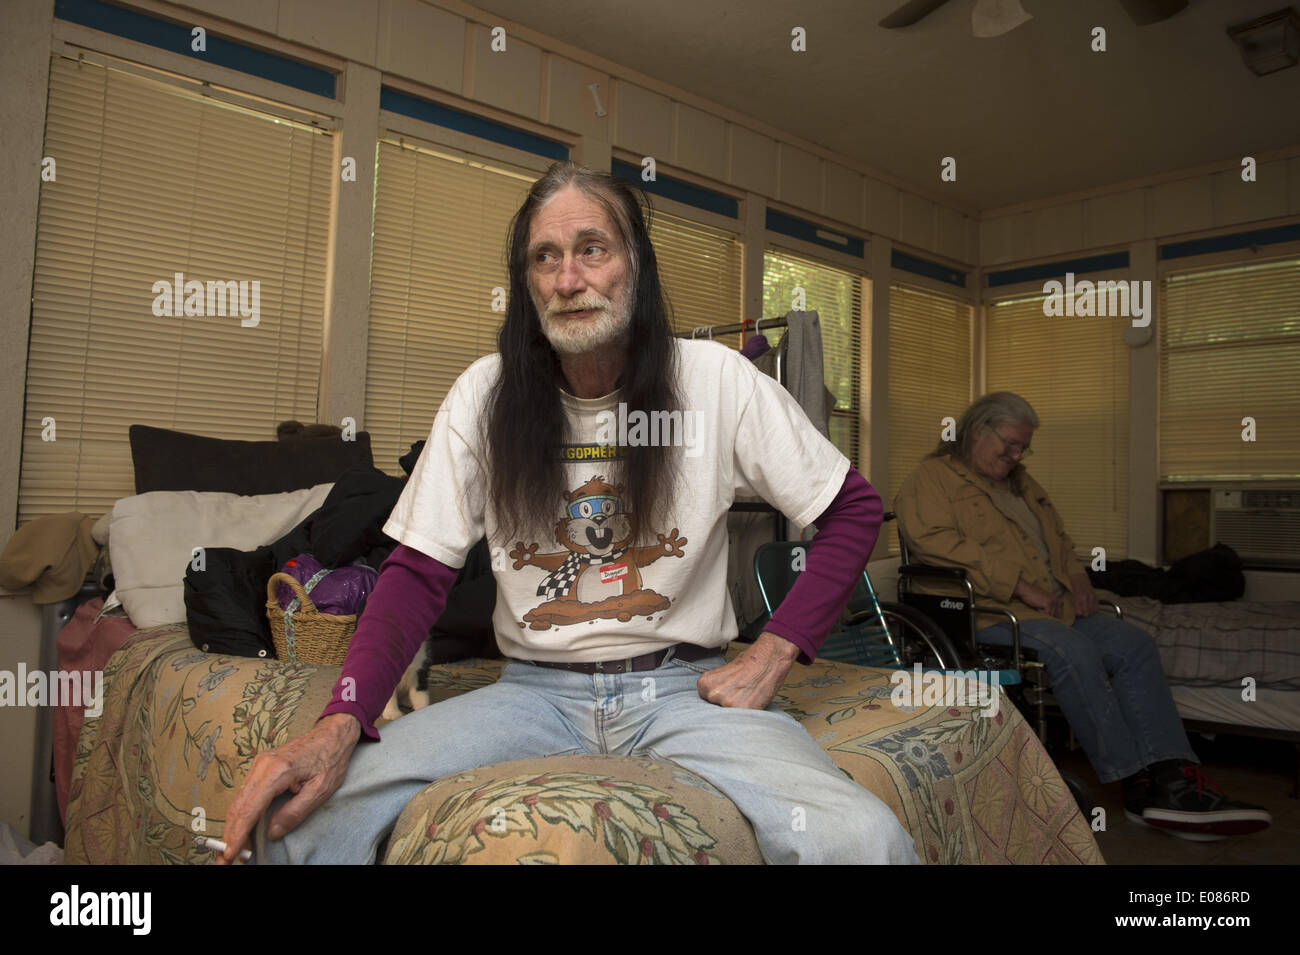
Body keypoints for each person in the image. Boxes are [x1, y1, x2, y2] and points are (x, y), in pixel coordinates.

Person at [218, 161, 919, 865]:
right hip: (531, 694)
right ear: (527, 284)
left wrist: (776, 649)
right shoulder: (482, 395)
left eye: (592, 249)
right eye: (544, 258)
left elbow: (854, 509)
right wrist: (341, 720)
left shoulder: (717, 378)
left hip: (681, 690)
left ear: (634, 265)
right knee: (292, 818)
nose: (567, 278)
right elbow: (415, 575)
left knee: (863, 837)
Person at [893, 392, 1271, 841]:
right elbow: (935, 544)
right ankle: (1135, 780)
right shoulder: (930, 480)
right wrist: (1018, 585)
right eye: (1011, 445)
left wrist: (1078, 577)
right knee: (1074, 653)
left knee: (1135, 645)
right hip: (989, 613)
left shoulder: (1020, 483)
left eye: (1022, 448)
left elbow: (1058, 536)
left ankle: (1171, 770)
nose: (1016, 456)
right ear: (978, 431)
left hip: (1052, 607)